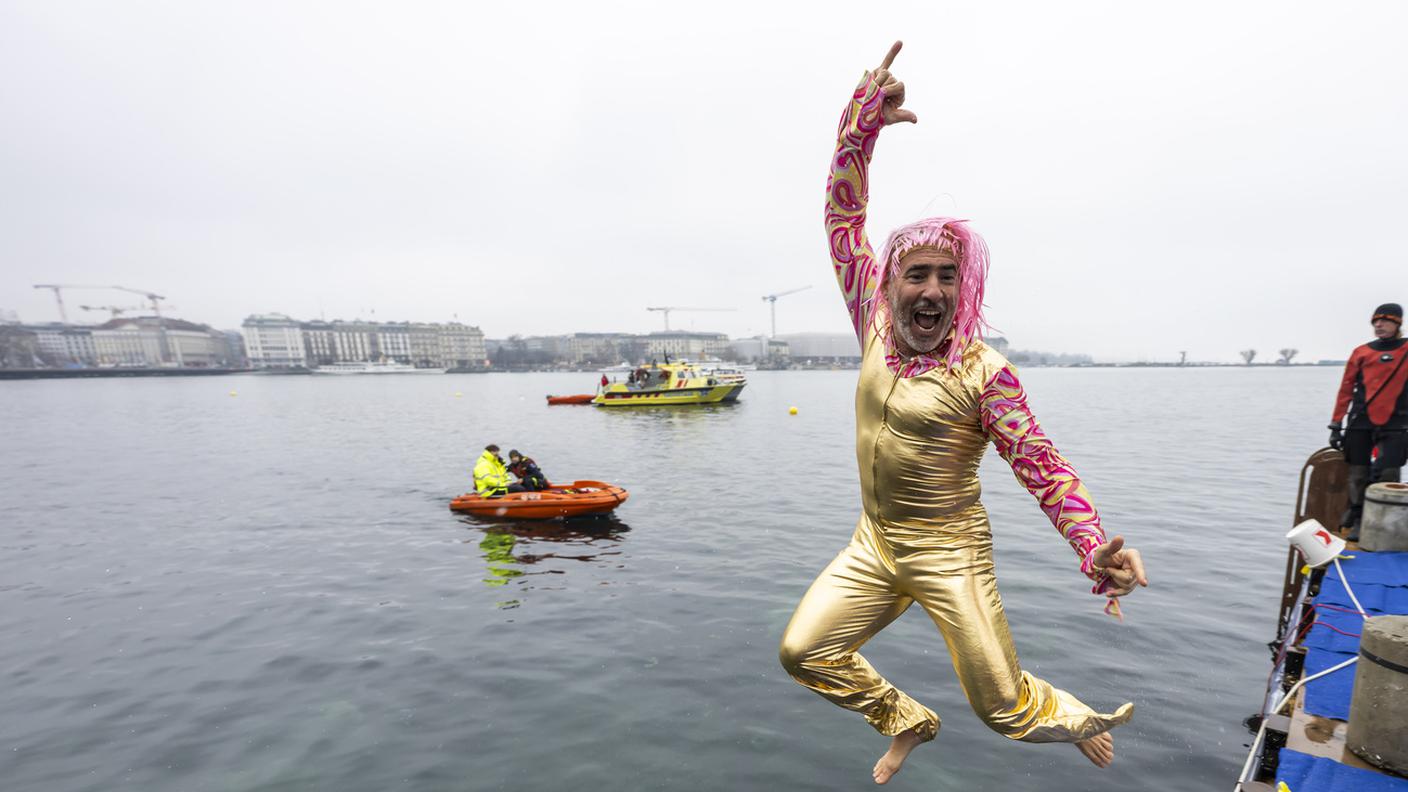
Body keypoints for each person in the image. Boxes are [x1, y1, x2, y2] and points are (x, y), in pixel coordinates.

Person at [778, 42, 1148, 785]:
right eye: (917, 274)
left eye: (948, 277)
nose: (932, 291)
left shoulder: (986, 376)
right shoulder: (874, 324)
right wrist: (861, 128)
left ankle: (1078, 722)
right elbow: (842, 218)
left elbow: (1044, 467)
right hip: (875, 543)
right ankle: (905, 718)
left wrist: (1094, 547)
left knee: (1004, 709)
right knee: (802, 651)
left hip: (950, 553)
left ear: (963, 288)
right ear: (890, 286)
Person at [1329, 302, 1408, 539]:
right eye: (1375, 322)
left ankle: (1383, 518)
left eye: (1385, 321)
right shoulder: (1361, 352)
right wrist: (1335, 424)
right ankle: (1357, 516)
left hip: (1398, 422)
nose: (1379, 325)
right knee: (1357, 473)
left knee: (1388, 472)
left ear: (1398, 324)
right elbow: (1345, 390)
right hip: (1360, 420)